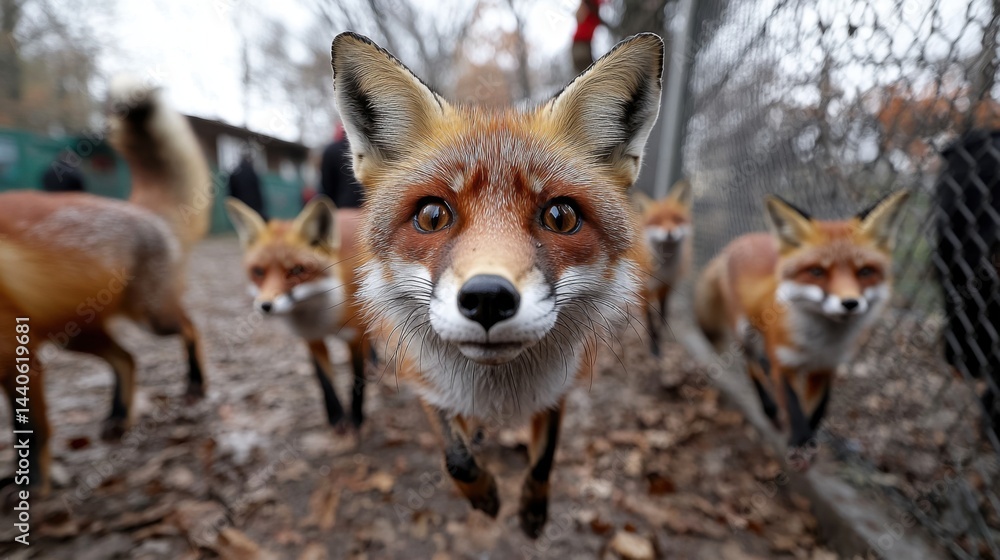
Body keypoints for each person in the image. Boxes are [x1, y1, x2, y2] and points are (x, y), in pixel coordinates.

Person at [320, 122, 364, 209]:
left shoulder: (331, 150)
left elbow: (326, 186)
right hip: (364, 209)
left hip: (341, 209)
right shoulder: (367, 150)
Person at [227, 150, 267, 220]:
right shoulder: (253, 173)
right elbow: (258, 192)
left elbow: (231, 194)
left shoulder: (234, 173)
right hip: (254, 208)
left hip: (241, 208)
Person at [572, 0, 604, 75]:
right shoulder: (588, 4)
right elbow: (578, 17)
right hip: (580, 43)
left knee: (592, 72)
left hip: (586, 44)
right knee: (589, 74)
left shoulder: (597, 8)